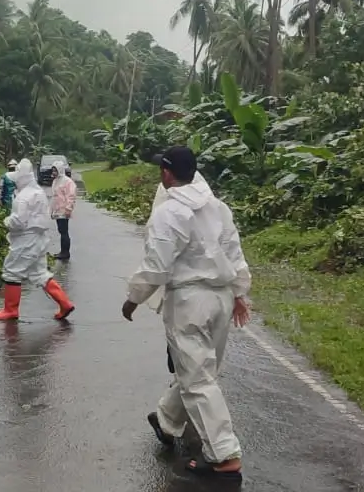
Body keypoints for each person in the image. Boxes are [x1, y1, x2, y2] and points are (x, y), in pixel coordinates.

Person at [121, 147, 251, 480]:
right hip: (221, 298)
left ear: (166, 174)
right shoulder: (217, 207)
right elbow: (234, 251)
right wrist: (240, 293)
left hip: (190, 302)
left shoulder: (169, 212)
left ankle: (224, 456)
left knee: (198, 379)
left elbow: (156, 266)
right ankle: (166, 420)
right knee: (200, 372)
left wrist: (133, 299)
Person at [0, 159, 75, 322]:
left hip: (25, 240)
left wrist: (6, 222)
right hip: (39, 240)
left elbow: (18, 222)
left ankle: (10, 310)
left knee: (11, 271)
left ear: (21, 178)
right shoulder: (37, 192)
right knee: (40, 274)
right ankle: (65, 303)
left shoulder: (23, 197)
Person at [49, 160, 77, 261]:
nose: (53, 172)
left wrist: (68, 208)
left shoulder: (67, 181)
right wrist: (52, 211)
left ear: (60, 170)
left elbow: (71, 196)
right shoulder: (55, 181)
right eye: (53, 170)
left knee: (64, 231)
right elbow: (54, 197)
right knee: (61, 231)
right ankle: (63, 251)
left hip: (64, 210)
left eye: (55, 170)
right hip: (57, 210)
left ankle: (65, 253)